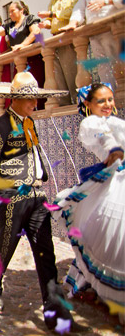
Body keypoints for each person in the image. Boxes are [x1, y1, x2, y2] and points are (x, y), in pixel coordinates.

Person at [0, 73, 88, 334]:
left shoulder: (29, 123)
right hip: (12, 196)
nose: (34, 104)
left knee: (46, 254)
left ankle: (57, 315)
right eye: (29, 99)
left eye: (35, 99)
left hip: (38, 196)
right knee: (6, 245)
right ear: (14, 98)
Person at [54, 83, 124, 320]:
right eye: (101, 101)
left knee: (106, 241)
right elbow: (103, 137)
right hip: (114, 183)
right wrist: (113, 149)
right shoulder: (90, 123)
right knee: (111, 241)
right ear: (88, 104)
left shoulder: (115, 122)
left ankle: (88, 284)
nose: (108, 105)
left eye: (110, 100)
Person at [62, 0, 124, 89]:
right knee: (103, 68)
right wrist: (73, 22)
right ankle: (110, 100)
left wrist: (107, 0)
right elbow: (79, 7)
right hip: (96, 33)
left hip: (116, 30)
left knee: (120, 65)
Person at [0, 1, 45, 108]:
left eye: (12, 11)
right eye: (9, 12)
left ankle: (40, 108)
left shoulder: (29, 19)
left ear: (21, 10)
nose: (10, 14)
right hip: (18, 62)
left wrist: (23, 45)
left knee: (36, 84)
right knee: (21, 87)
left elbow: (35, 32)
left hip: (33, 58)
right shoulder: (10, 26)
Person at [38, 0, 84, 105]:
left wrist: (51, 14)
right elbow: (52, 21)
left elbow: (72, 11)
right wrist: (45, 24)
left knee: (72, 75)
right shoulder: (54, 0)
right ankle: (65, 107)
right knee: (58, 79)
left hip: (69, 39)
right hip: (55, 41)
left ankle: (79, 104)